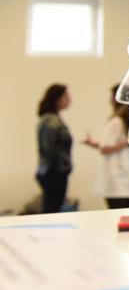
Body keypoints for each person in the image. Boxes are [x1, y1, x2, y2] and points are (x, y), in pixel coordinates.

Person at [83, 85, 129, 209]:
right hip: (128, 174)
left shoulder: (117, 121)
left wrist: (128, 142)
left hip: (118, 178)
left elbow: (105, 148)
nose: (109, 101)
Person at [35, 83, 80, 213]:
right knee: (51, 209)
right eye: (66, 96)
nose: (69, 100)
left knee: (53, 207)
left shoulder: (54, 119)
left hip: (54, 172)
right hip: (53, 173)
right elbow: (49, 149)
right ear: (57, 99)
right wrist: (61, 168)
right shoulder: (50, 121)